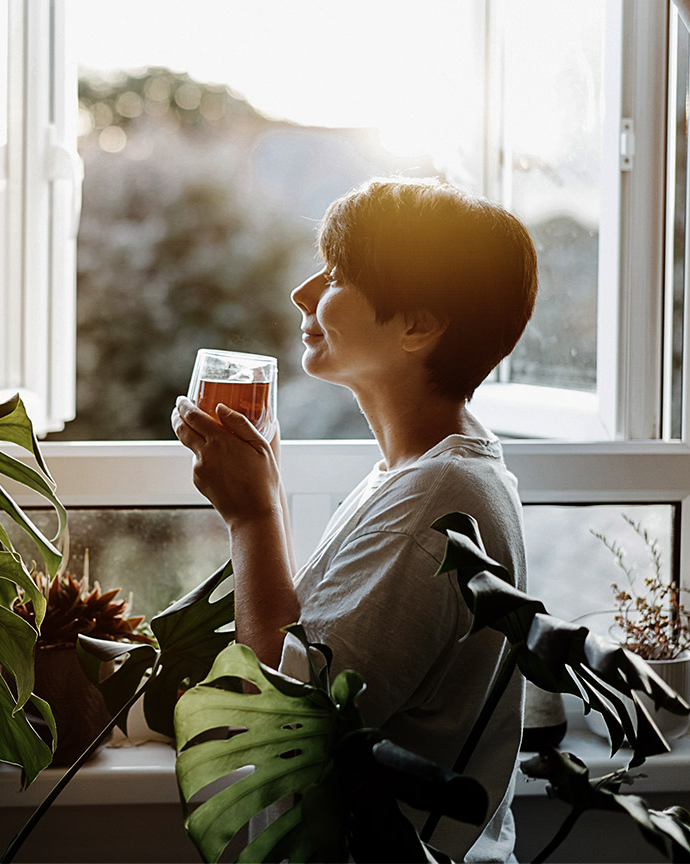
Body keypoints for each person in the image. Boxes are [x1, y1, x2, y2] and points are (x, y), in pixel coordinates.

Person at [171, 176, 537, 862]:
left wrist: (251, 517)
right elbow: (317, 648)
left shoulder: (434, 501)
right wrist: (263, 489)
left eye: (338, 274)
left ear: (418, 324)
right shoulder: (431, 473)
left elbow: (282, 714)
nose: (303, 292)